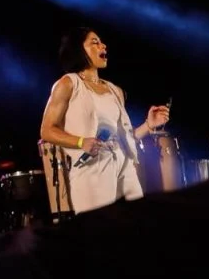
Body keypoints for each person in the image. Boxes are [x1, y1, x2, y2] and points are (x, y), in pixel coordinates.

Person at [39, 27, 170, 214]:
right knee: (101, 235)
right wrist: (80, 142)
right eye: (95, 42)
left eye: (101, 41)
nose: (103, 45)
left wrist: (148, 125)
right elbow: (46, 130)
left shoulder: (114, 90)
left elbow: (124, 138)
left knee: (139, 226)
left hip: (123, 165)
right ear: (79, 50)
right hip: (92, 170)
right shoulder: (68, 83)